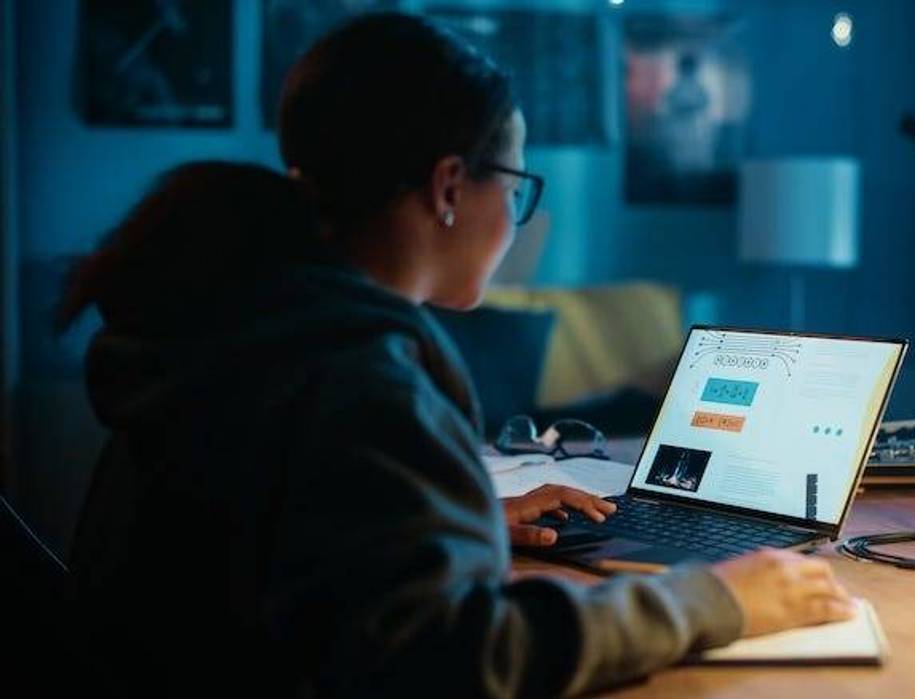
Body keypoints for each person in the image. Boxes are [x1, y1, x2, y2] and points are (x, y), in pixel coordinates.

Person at [62, 13, 853, 697]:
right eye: (513, 187)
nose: (513, 217)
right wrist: (710, 600)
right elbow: (460, 659)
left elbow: (293, 542)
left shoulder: (238, 325)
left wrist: (447, 516)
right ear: (447, 188)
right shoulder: (354, 376)